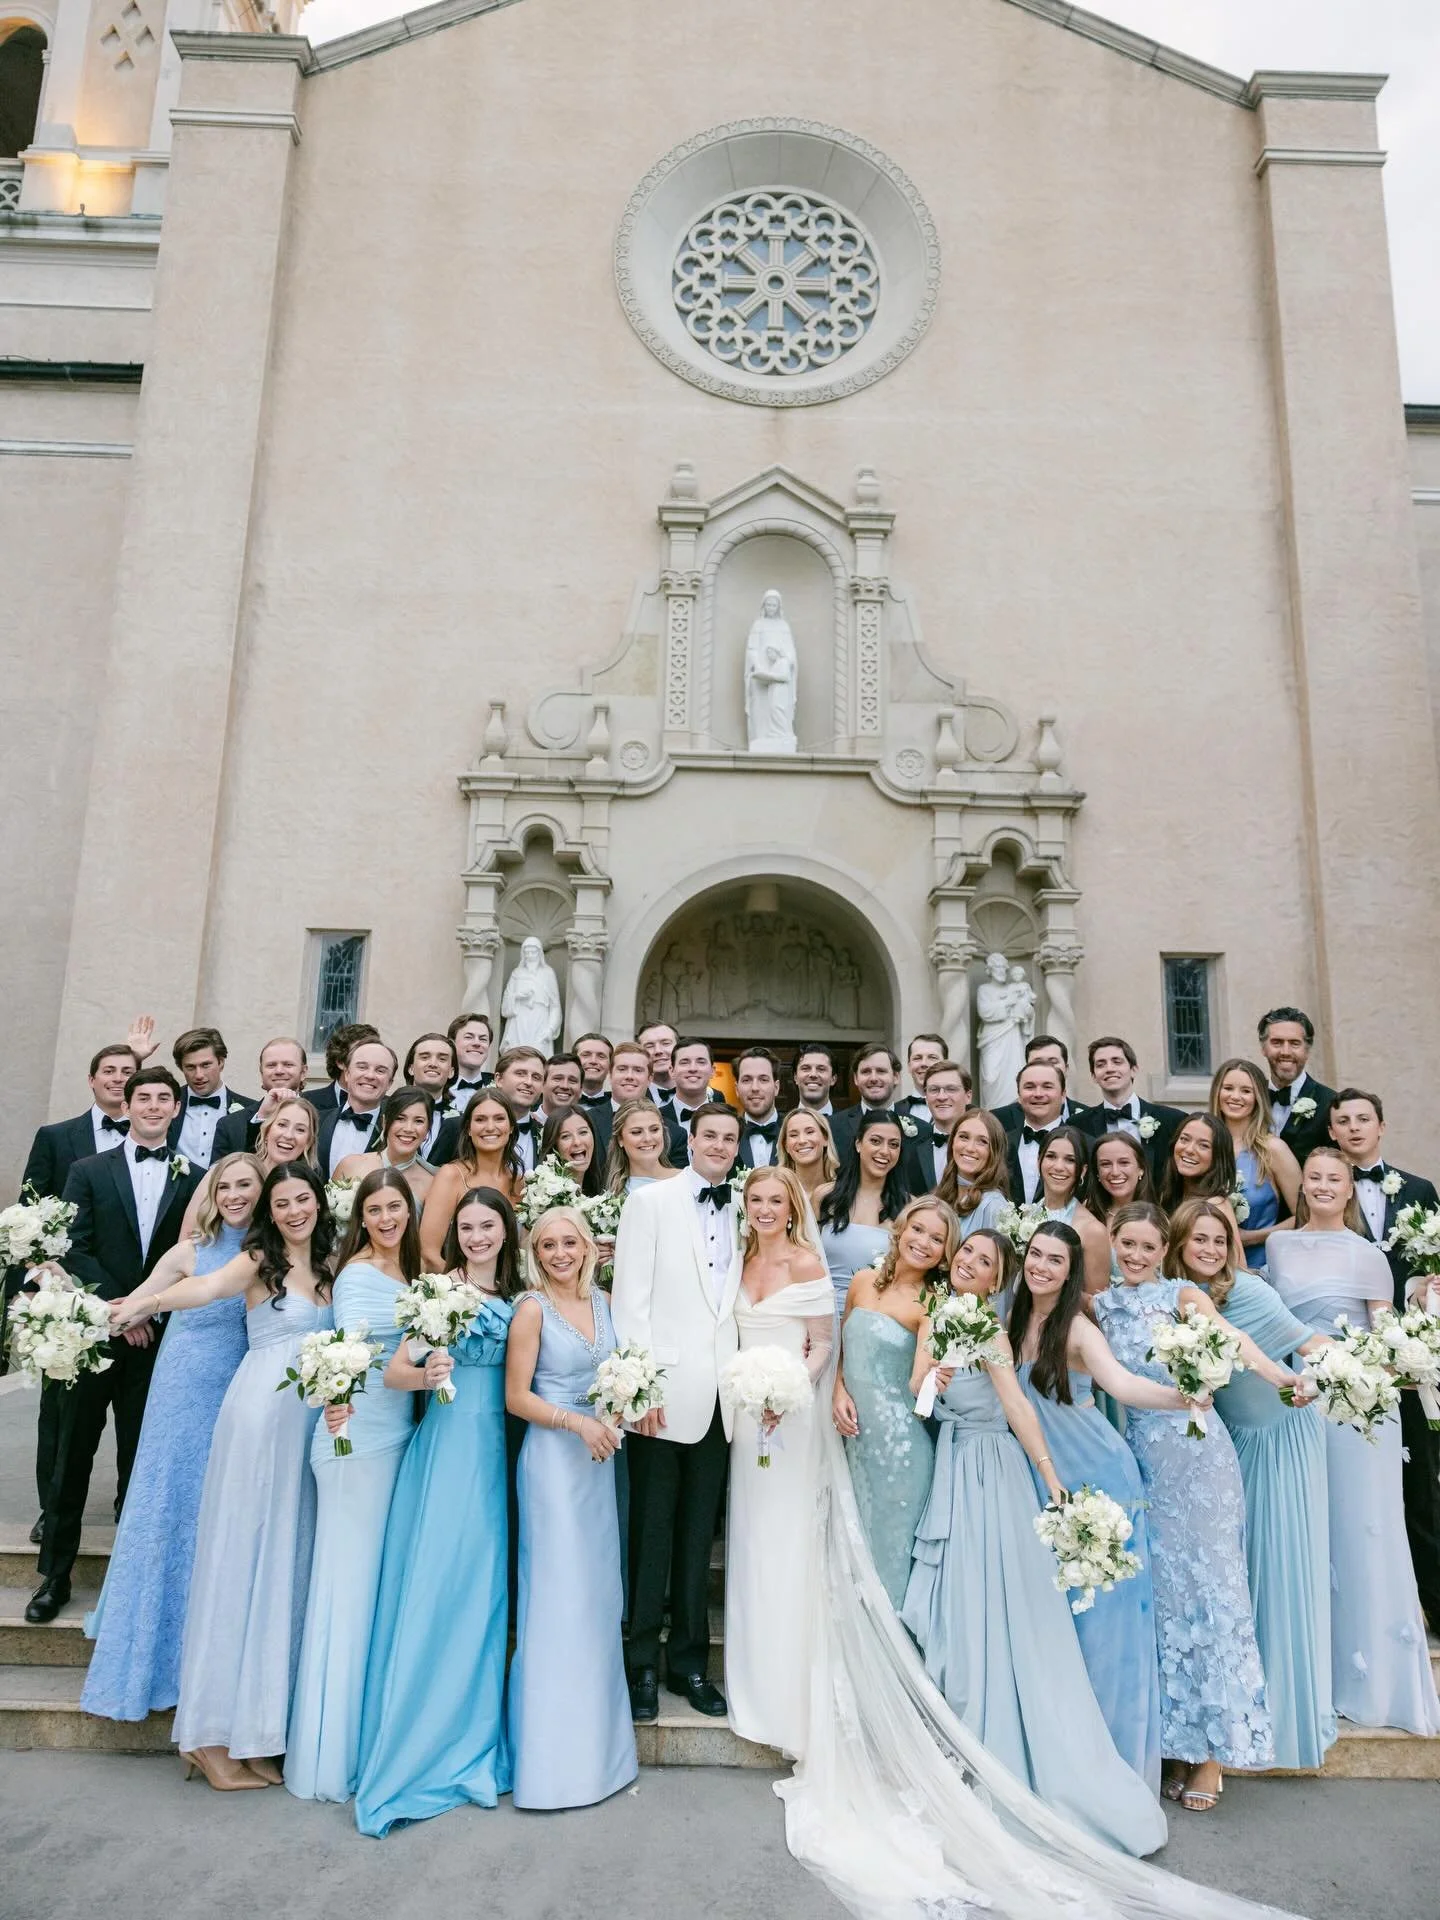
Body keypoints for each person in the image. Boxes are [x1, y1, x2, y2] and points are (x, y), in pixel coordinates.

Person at [900, 1228, 1166, 1855]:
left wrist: (1049, 1478)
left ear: (999, 1279)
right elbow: (918, 1394)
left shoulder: (995, 1330)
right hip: (955, 1470)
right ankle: (964, 1734)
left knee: (1018, 1609)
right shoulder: (939, 1320)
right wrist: (936, 1376)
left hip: (1003, 1470)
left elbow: (1021, 1406)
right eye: (964, 1253)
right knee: (962, 1607)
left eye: (984, 1261)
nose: (968, 1263)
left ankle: (1033, 1749)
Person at [111, 1161, 335, 1789]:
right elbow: (205, 1291)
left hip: (305, 1424)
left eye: (302, 1200)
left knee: (281, 1570)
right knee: (240, 1565)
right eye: (283, 1202)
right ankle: (208, 1737)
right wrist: (146, 1302)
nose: (294, 1211)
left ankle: (256, 1732)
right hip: (260, 1414)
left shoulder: (330, 1262)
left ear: (318, 1203)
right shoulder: (258, 1258)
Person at [1094, 1203, 1283, 1808]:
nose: (1138, 1256)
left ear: (1164, 1250)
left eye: (1149, 1247)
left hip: (1200, 1461)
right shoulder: (1098, 1305)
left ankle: (1211, 1757)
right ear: (1114, 1244)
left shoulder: (1184, 1297)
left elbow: (1237, 1343)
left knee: (1210, 1595)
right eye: (1128, 1245)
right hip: (1141, 1462)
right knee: (1166, 1602)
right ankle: (1175, 1740)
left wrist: (1283, 1378)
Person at [354, 1188, 521, 1836]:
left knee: (480, 1597)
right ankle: (421, 1742)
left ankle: (472, 1734)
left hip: (497, 1452)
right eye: (469, 1227)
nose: (478, 1236)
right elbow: (395, 1370)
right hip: (448, 1449)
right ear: (456, 1233)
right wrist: (428, 1375)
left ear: (506, 1231)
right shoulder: (437, 1289)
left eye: (488, 1226)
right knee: (439, 1586)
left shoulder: (518, 1291)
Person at [1009, 1220, 1191, 1794]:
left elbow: (1123, 1384)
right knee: (1059, 1622)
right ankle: (1060, 1750)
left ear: (1070, 1274)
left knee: (1105, 1625)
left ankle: (1109, 1764)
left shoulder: (1079, 1330)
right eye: (1034, 1255)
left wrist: (1181, 1397)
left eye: (1054, 1261)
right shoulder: (1010, 1320)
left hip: (1099, 1484)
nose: (1040, 1266)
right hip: (1046, 1483)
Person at [81, 1154, 262, 1722]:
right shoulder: (188, 1251)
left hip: (240, 1387)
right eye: (224, 1186)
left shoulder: (269, 1252)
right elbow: (142, 1296)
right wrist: (98, 1305)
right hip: (183, 1388)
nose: (234, 1195)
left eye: (245, 1186)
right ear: (211, 1193)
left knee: (220, 1512)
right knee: (171, 1505)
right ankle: (151, 1654)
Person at [1268, 1148, 1440, 1735]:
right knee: (1309, 1532)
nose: (1321, 1185)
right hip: (1296, 1402)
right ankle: (1312, 1674)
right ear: (1302, 1187)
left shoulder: (1369, 1255)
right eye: (1313, 1177)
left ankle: (1374, 1681)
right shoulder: (1280, 1248)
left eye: (1333, 1179)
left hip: (1357, 1408)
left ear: (1349, 1191)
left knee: (1365, 1532)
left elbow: (1385, 1338)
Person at [27, 1067, 203, 1625]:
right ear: (126, 1106)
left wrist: (146, 1310)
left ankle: (130, 1587)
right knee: (71, 1458)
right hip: (94, 1334)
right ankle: (53, 1577)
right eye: (143, 1097)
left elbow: (192, 1255)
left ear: (177, 1109)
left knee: (138, 1461)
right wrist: (121, 1311)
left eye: (163, 1099)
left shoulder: (194, 1176)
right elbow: (72, 1247)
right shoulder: (86, 1170)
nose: (153, 1106)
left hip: (155, 1346)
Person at [1166, 1198, 1336, 1772]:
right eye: (1200, 1240)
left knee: (1274, 1575)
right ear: (1180, 1242)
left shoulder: (1252, 1292)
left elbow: (1303, 1344)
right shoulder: (1168, 1294)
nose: (1211, 1250)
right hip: (1227, 1447)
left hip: (1278, 1443)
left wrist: (1353, 1368)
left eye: (1221, 1240)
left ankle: (1280, 1726)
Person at [286, 1169, 420, 1802]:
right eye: (376, 1209)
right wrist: (335, 1402)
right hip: (352, 1439)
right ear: (360, 1217)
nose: (387, 1218)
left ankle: (365, 1738)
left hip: (396, 1441)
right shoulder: (360, 1275)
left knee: (371, 1586)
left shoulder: (412, 1273)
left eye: (396, 1207)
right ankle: (328, 1754)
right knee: (345, 1586)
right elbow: (351, 1353)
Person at [612, 1105, 743, 1723]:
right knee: (651, 1534)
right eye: (709, 1135)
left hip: (724, 1398)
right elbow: (630, 1301)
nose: (719, 1145)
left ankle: (689, 1664)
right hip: (660, 1397)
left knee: (698, 1537)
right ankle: (639, 1661)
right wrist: (640, 1389)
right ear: (688, 1140)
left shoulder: (747, 1206)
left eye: (730, 1138)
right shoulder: (651, 1202)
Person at [506, 1206, 637, 1807]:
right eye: (549, 1244)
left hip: (600, 1461)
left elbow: (621, 1374)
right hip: (554, 1466)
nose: (561, 1253)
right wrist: (577, 1424)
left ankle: (601, 1756)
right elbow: (516, 1398)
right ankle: (552, 1764)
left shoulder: (607, 1302)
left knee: (595, 1597)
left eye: (570, 1243)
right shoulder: (531, 1308)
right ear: (536, 1251)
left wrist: (618, 1412)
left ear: (588, 1246)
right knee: (558, 1601)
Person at [725, 1167, 833, 1756]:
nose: (765, 1209)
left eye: (775, 1201)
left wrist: (791, 1389)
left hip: (792, 1416)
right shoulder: (738, 1265)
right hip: (745, 1420)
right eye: (756, 1200)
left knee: (789, 1542)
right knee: (752, 1540)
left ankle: (791, 1693)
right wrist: (756, 1398)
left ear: (793, 1207)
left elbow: (821, 1342)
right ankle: (753, 1685)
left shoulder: (805, 1264)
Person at [15, 1039, 139, 1546]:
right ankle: (52, 1507)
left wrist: (133, 1303)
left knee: (134, 1418)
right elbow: (32, 1214)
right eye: (108, 1071)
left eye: (127, 1072)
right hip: (69, 1302)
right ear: (92, 1079)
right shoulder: (56, 1136)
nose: (116, 1079)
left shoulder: (162, 1139)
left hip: (136, 1303)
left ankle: (127, 1503)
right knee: (61, 1419)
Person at [1328, 1085, 1440, 1631]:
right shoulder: (1321, 1195)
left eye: (1363, 1119)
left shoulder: (1420, 1189)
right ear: (1331, 1132)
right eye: (1343, 1120)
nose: (1353, 1128)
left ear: (1381, 1127)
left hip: (1412, 1359)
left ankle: (1435, 1604)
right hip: (1348, 1358)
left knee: (1421, 1480)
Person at [831, 1199, 957, 1606]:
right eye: (917, 1230)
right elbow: (842, 1351)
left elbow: (920, 1378)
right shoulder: (862, 1281)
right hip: (851, 1441)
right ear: (900, 1230)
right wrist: (838, 1391)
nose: (923, 1242)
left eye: (937, 1239)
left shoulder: (933, 1305)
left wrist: (935, 1375)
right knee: (848, 1548)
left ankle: (895, 1654)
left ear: (944, 1253)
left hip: (900, 1450)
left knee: (889, 1553)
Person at [814, 1111, 908, 1322]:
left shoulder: (908, 1207)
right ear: (858, 1144)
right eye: (875, 1141)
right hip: (822, 1316)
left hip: (875, 1319)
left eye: (893, 1145)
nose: (885, 1151)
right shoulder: (825, 1197)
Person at [1209, 1057, 1299, 1268]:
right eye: (1228, 1088)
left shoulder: (1273, 1149)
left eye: (1246, 1091)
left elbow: (1305, 1214)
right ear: (1217, 1092)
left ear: (1258, 1097)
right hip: (1205, 1267)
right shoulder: (1204, 1146)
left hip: (1258, 1266)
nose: (1235, 1096)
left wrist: (1253, 1237)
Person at [420, 1091, 524, 1272]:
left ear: (511, 1127)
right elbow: (429, 1253)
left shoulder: (520, 1183)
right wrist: (467, 1293)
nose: (490, 1127)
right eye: (481, 1119)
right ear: (468, 1128)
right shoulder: (451, 1176)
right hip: (460, 1291)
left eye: (499, 1118)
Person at [1075, 1036, 1181, 1169]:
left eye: (1117, 1062)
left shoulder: (1172, 1121)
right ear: (1094, 1076)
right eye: (1101, 1064)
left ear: (1133, 1070)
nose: (1109, 1069)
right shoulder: (1078, 1125)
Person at [332, 1087, 436, 1212]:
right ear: (385, 1122)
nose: (408, 1128)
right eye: (400, 1118)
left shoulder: (432, 1184)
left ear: (427, 1130)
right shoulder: (350, 1165)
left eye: (418, 1121)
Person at [1033, 1125, 1110, 1292]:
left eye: (1070, 1160)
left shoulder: (1093, 1230)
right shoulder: (1026, 1214)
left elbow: (1095, 1302)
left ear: (1082, 1170)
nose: (1059, 1166)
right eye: (1051, 1156)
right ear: (1039, 1161)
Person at [170, 1027, 257, 1171]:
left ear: (221, 1062)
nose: (198, 1075)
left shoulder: (250, 1110)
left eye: (206, 1065)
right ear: (181, 1068)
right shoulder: (167, 1103)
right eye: (190, 1067)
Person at [1258, 1005, 1335, 1163]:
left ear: (1307, 1051)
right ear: (1263, 1048)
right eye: (1277, 1042)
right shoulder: (1251, 1098)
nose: (1285, 1052)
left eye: (1294, 1043)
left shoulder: (1331, 1103)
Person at [212, 1038, 309, 1159]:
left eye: (288, 1064)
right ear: (261, 1072)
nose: (279, 1071)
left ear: (303, 1072)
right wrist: (262, 1118)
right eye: (271, 1065)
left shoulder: (321, 1121)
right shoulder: (229, 1124)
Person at [318, 1039, 396, 1176]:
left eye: (380, 1070)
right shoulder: (316, 1121)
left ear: (390, 1083)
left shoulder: (395, 1132)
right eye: (362, 1067)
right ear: (347, 1074)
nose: (370, 1075)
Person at [934, 1108, 1011, 1235]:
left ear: (995, 1152)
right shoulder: (940, 1194)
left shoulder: (994, 1206)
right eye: (964, 1137)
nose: (970, 1148)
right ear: (952, 1142)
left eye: (982, 1142)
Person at [1156, 1112, 1239, 1228]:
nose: (1189, 1149)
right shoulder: (1167, 1196)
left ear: (1218, 1156)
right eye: (1184, 1139)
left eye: (1203, 1145)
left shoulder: (1215, 1206)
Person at [1004, 1060, 1068, 1202]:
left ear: (1063, 1095)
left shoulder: (1084, 1146)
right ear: (1019, 1096)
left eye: (1047, 1086)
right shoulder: (1001, 1144)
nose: (1038, 1094)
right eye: (1029, 1087)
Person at [988, 1034, 1078, 1133]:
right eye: (1037, 1063)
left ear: (1067, 1068)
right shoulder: (997, 1119)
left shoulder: (1087, 1117)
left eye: (1053, 1062)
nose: (1045, 1068)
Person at [657, 1035, 722, 1164]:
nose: (693, 1068)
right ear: (672, 1071)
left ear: (712, 1071)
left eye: (701, 1062)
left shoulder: (728, 1119)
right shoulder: (655, 1118)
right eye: (685, 1062)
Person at [830, 1046, 904, 1156]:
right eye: (866, 1072)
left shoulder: (921, 1130)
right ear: (856, 1078)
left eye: (881, 1071)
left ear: (896, 1077)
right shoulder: (833, 1126)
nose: (873, 1078)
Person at [1083, 1129, 1158, 1237]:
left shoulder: (1157, 1218)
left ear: (1141, 1168)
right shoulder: (1086, 1212)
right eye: (1105, 1164)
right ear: (1097, 1172)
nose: (1115, 1172)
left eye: (1124, 1163)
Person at [908, 1059, 969, 1192]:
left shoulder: (986, 1144)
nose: (941, 1097)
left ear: (968, 1096)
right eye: (934, 1090)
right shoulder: (910, 1148)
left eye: (951, 1089)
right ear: (926, 1096)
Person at [602, 1096, 680, 1197]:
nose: (648, 1138)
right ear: (620, 1139)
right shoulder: (611, 1199)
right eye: (636, 1132)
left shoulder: (685, 1179)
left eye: (654, 1130)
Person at [499, 937, 563, 1055]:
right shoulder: (517, 973)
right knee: (517, 1054)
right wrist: (517, 996)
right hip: (519, 1019)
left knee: (538, 1054)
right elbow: (507, 997)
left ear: (539, 953)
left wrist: (550, 1029)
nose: (530, 956)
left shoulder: (548, 973)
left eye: (533, 952)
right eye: (526, 952)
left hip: (540, 1019)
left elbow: (555, 1005)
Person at [400, 1033, 457, 1156]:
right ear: (411, 1068)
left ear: (451, 1072)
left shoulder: (461, 1122)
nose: (433, 1064)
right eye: (425, 1057)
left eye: (442, 1059)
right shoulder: (387, 1110)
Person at [306, 1023, 381, 1116]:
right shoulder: (306, 1102)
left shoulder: (391, 1107)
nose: (370, 1074)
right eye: (361, 1060)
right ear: (340, 1062)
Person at [733, 1046, 784, 1170]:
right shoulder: (727, 1134)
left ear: (776, 1087)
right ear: (736, 1089)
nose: (755, 1087)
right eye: (746, 1080)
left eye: (763, 1079)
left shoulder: (794, 1131)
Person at [538, 1102, 604, 1197]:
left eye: (583, 1132)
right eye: (566, 1136)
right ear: (554, 1145)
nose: (577, 1142)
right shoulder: (543, 1197)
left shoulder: (603, 1192)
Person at [776, 1106, 839, 1206]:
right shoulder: (776, 1192)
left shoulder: (843, 1191)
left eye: (810, 1132)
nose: (802, 1140)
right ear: (786, 1146)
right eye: (793, 1135)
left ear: (825, 1138)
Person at [894, 1032, 947, 1121]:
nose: (924, 1063)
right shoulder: (893, 1112)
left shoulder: (961, 1110)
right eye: (917, 1058)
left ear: (946, 1065)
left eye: (932, 1057)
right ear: (909, 1066)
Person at [445, 1013, 494, 1106]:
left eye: (483, 1039)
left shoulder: (501, 1088)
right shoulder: (438, 1087)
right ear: (452, 1043)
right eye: (468, 1037)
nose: (476, 1043)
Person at [792, 1043, 838, 1118]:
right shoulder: (782, 1126)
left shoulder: (852, 1125)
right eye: (806, 1068)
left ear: (833, 1079)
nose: (813, 1074)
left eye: (821, 1069)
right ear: (795, 1077)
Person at [538, 1052, 584, 1123]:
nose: (565, 1086)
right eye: (557, 1079)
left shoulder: (589, 1127)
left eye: (572, 1081)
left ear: (581, 1090)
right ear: (542, 1085)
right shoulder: (520, 1124)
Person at [637, 1020, 679, 1099]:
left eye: (666, 1043)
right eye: (649, 1046)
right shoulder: (629, 1099)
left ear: (678, 1048)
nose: (658, 1051)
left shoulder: (707, 1096)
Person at [574, 1031, 613, 1104]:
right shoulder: (555, 1104)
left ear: (610, 1066)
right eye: (586, 1055)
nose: (593, 1061)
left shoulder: (619, 1108)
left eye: (601, 1056)